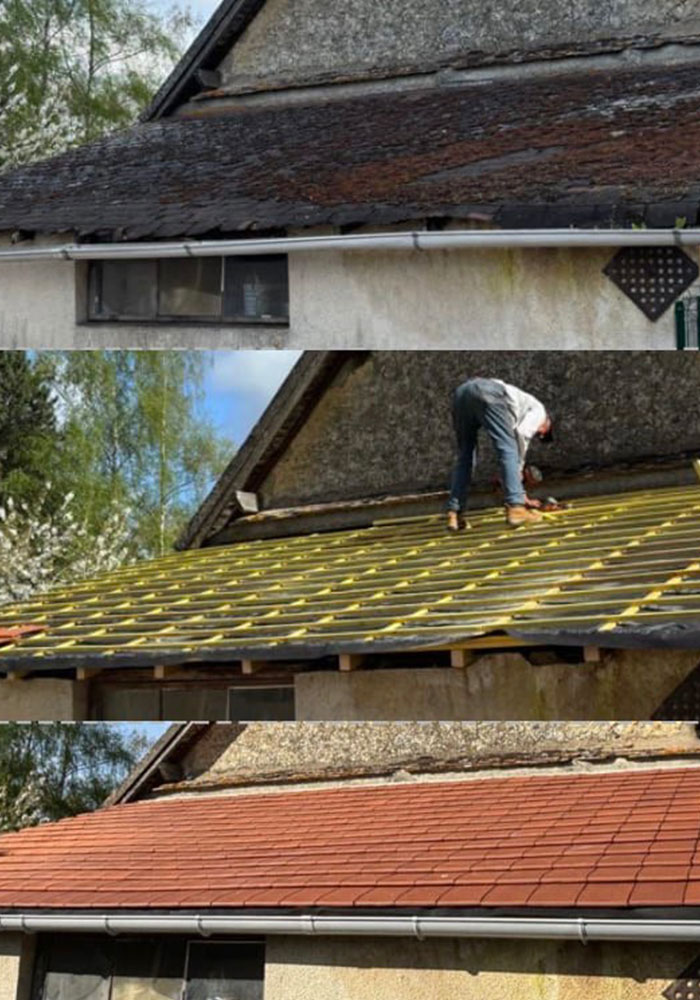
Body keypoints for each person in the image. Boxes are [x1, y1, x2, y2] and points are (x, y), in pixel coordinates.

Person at [447, 377, 553, 530]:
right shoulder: (540, 413)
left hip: (462, 394)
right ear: (546, 427)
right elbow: (522, 433)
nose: (538, 434)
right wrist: (517, 471)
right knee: (507, 447)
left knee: (465, 455)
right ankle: (516, 508)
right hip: (488, 392)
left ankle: (455, 514)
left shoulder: (521, 402)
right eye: (540, 434)